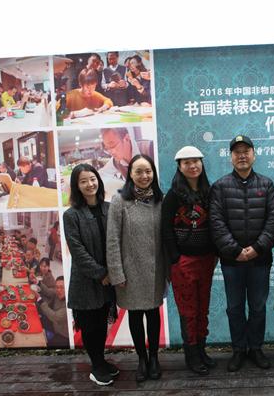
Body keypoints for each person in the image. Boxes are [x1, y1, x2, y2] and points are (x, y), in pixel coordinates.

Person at [209, 135, 274, 372]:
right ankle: (239, 349)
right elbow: (216, 222)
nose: (242, 156)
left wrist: (256, 249)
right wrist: (235, 250)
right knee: (235, 307)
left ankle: (256, 348)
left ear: (254, 155)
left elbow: (273, 222)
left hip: (260, 260)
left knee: (258, 307)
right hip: (232, 262)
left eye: (246, 151)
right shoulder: (220, 186)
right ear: (230, 157)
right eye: (237, 152)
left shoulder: (266, 185)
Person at [107, 155, 166, 382]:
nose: (144, 176)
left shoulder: (160, 200)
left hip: (155, 269)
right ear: (130, 173)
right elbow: (112, 240)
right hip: (129, 271)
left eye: (148, 171)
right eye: (139, 171)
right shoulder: (120, 201)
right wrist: (116, 273)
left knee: (153, 313)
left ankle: (154, 358)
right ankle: (141, 358)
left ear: (153, 173)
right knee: (135, 314)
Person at [161, 146, 217, 375]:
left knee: (203, 308)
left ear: (202, 164)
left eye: (196, 161)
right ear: (179, 167)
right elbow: (165, 229)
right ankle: (191, 355)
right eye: (187, 162)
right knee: (188, 310)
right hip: (183, 262)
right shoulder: (173, 195)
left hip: (206, 260)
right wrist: (175, 257)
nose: (192, 166)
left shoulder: (209, 192)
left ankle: (202, 350)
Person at [63, 163, 118, 386]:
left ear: (99, 181)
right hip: (86, 280)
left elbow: (117, 241)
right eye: (83, 181)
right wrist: (100, 273)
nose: (90, 184)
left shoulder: (109, 208)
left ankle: (101, 360)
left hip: (109, 278)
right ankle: (96, 366)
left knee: (102, 322)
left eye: (93, 179)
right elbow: (77, 250)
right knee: (89, 325)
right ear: (76, 186)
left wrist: (112, 272)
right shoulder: (71, 215)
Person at [37, 276, 69, 347]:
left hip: (62, 334)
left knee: (47, 344)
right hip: (53, 324)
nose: (59, 290)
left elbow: (54, 317)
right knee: (36, 318)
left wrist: (39, 300)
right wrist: (37, 282)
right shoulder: (57, 293)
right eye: (57, 287)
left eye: (62, 287)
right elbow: (48, 291)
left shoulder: (68, 305)